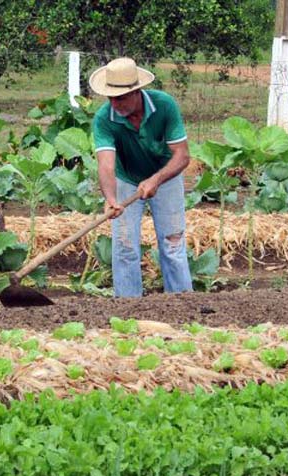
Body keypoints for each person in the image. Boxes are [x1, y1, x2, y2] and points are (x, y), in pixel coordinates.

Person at [90, 57, 193, 298]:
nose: (114, 103)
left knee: (172, 244)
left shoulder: (164, 105)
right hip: (126, 179)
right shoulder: (104, 119)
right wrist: (111, 199)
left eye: (121, 98)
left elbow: (183, 156)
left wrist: (155, 180)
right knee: (124, 247)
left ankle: (182, 303)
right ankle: (127, 306)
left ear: (136, 92)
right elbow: (106, 164)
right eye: (110, 98)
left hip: (166, 176)